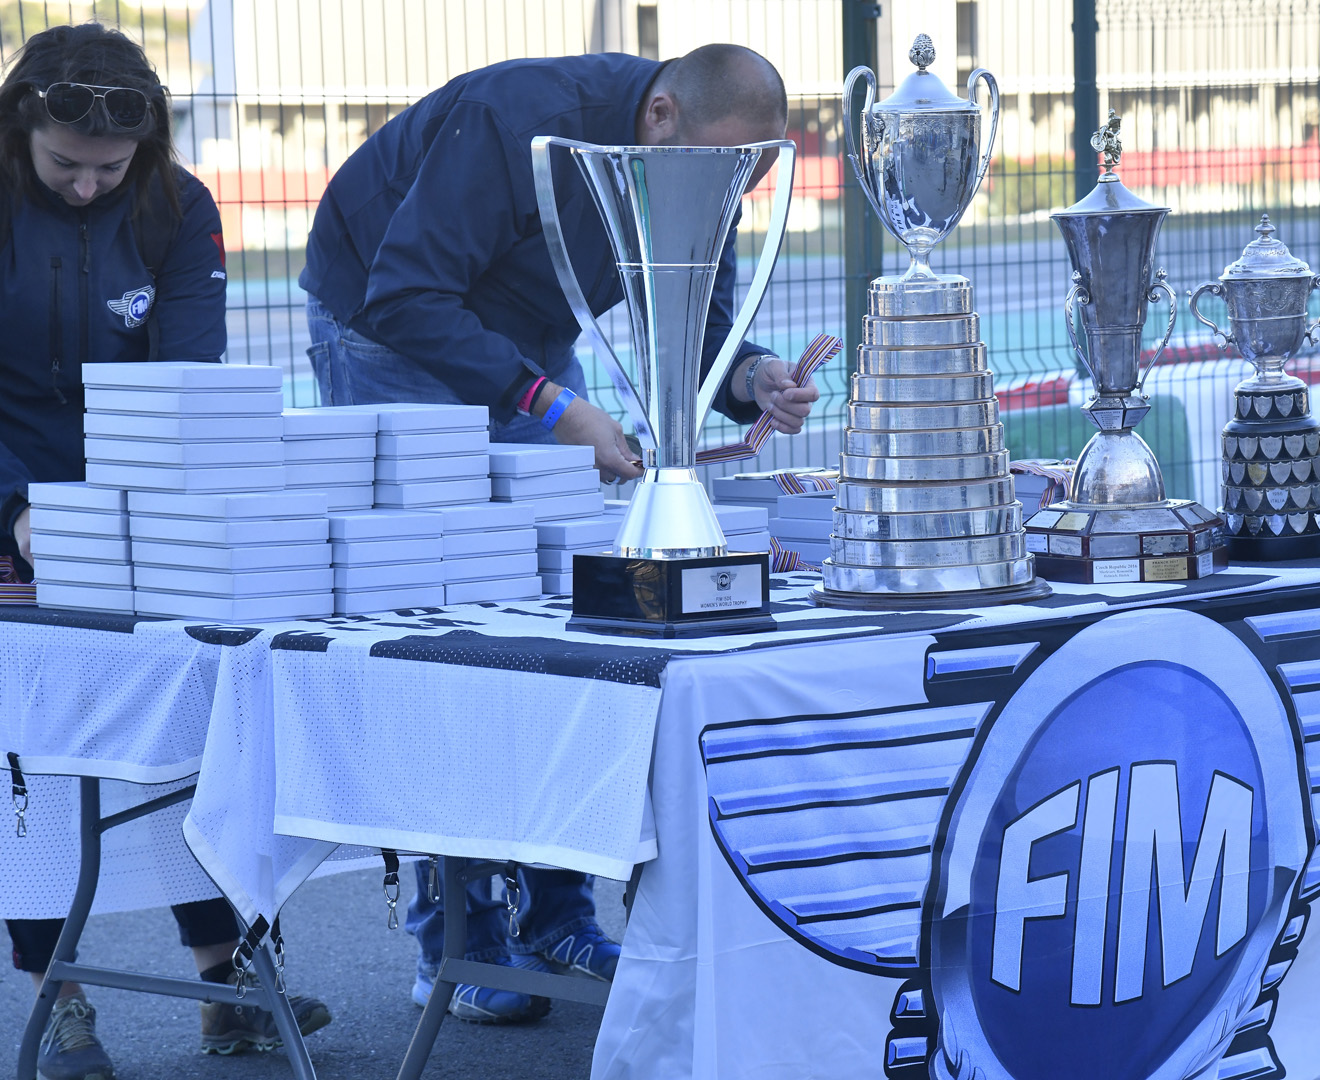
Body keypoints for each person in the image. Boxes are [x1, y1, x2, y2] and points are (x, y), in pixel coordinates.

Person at [297, 43, 819, 1023]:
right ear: (659, 116)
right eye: (712, 171)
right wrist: (550, 403)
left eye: (742, 181)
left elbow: (697, 321)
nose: (725, 193)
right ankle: (456, 941)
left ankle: (557, 914)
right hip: (385, 324)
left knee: (561, 627)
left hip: (523, 332)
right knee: (447, 629)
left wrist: (753, 376)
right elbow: (405, 295)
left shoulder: (705, 160)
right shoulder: (518, 117)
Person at [0, 23, 331, 1079]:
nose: (88, 187)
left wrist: (156, 512)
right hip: (9, 488)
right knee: (28, 754)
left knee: (189, 723)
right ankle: (59, 998)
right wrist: (16, 506)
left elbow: (187, 379)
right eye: (65, 164)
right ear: (19, 129)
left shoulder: (178, 206)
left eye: (111, 169)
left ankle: (226, 982)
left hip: (127, 503)